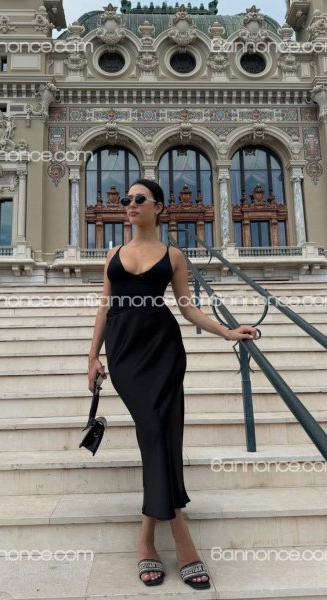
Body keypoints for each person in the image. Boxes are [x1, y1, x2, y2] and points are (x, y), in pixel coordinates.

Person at [87, 178, 259, 590]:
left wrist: (227, 331)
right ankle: (181, 538)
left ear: (158, 207)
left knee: (162, 436)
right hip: (125, 352)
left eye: (138, 199)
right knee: (154, 431)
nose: (130, 204)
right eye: (126, 199)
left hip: (163, 350)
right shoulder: (113, 254)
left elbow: (188, 309)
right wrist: (92, 357)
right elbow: (104, 307)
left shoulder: (173, 256)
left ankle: (148, 539)